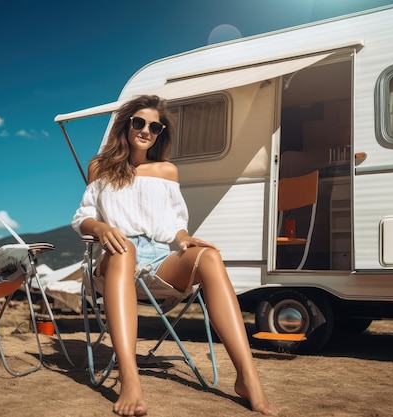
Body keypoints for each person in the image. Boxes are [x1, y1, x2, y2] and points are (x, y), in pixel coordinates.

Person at [72, 95, 279, 417]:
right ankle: (130, 379)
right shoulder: (100, 166)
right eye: (139, 122)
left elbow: (175, 223)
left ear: (160, 133)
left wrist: (185, 239)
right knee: (125, 247)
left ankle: (247, 377)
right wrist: (100, 228)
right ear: (126, 124)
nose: (146, 130)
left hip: (157, 256)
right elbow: (82, 216)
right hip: (114, 255)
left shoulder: (167, 170)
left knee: (208, 256)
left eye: (154, 126)